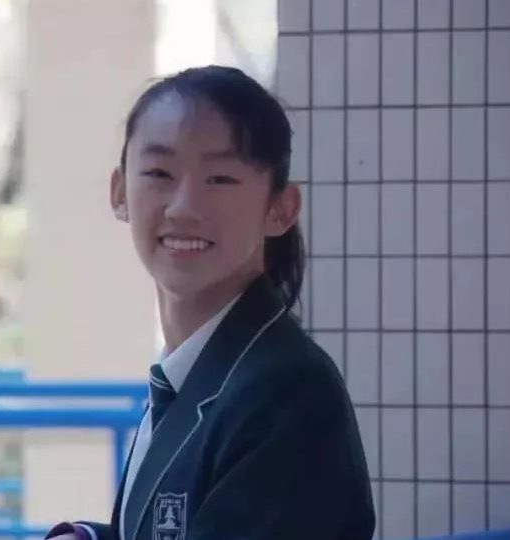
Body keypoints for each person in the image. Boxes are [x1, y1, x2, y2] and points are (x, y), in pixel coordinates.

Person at [46, 65, 375, 540]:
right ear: (119, 193)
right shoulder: (195, 374)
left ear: (280, 208)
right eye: (159, 173)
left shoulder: (286, 394)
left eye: (219, 179)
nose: (183, 207)